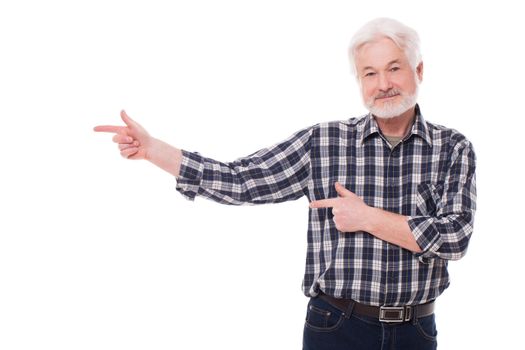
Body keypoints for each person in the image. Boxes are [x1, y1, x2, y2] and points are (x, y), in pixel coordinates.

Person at [94, 17, 476, 350]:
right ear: (359, 81)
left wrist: (366, 217)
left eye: (394, 68)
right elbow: (240, 180)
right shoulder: (323, 142)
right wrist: (154, 150)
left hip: (417, 332)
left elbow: (455, 237)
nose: (383, 84)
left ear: (419, 71)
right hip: (338, 328)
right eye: (370, 73)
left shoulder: (453, 148)